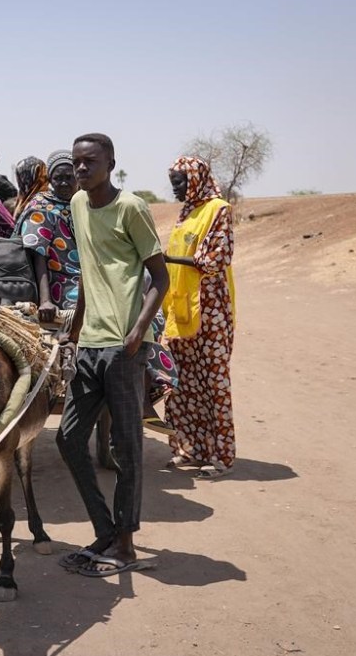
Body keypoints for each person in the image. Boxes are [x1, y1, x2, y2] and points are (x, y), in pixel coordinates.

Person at [55, 133, 169, 577]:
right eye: (77, 162)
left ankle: (125, 545)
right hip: (89, 345)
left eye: (90, 162)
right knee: (68, 438)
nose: (81, 170)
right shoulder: (78, 207)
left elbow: (159, 276)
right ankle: (106, 528)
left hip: (123, 348)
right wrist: (75, 329)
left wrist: (138, 331)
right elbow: (89, 271)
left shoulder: (131, 208)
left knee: (126, 447)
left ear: (111, 164)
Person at [163, 156, 237, 479]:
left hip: (210, 310)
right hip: (182, 308)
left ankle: (220, 456)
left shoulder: (218, 209)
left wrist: (165, 258)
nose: (175, 188)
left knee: (213, 383)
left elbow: (214, 259)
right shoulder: (186, 213)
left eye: (180, 182)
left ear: (196, 179)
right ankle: (189, 449)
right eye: (173, 182)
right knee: (184, 382)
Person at [16, 149, 79, 322]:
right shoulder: (41, 207)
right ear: (50, 180)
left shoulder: (83, 203)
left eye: (69, 177)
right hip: (63, 284)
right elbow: (38, 255)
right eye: (58, 178)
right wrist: (45, 301)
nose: (64, 183)